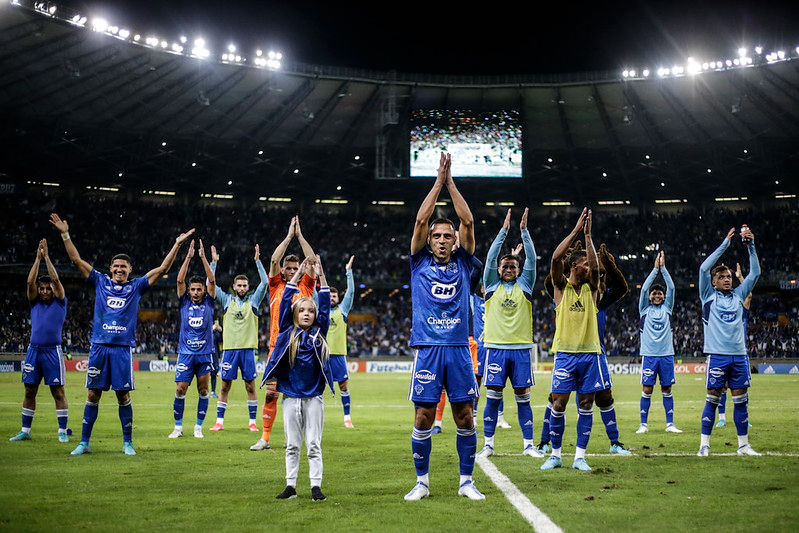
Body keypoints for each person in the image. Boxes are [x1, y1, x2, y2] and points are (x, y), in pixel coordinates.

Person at [49, 213, 193, 455]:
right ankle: (84, 443)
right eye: (115, 266)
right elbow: (75, 259)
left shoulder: (136, 286)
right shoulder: (99, 281)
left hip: (121, 349)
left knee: (123, 395)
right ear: (111, 268)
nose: (118, 269)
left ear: (129, 269)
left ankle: (127, 443)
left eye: (123, 266)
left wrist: (177, 244)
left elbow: (164, 268)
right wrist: (65, 234)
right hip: (99, 346)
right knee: (93, 394)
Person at [404, 153, 483, 501]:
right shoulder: (418, 261)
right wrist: (437, 182)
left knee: (465, 417)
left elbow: (468, 221)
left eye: (445, 236)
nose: (439, 240)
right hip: (428, 349)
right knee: (423, 418)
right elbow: (420, 221)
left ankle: (466, 482)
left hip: (458, 349)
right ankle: (422, 482)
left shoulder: (465, 263)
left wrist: (451, 183)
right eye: (436, 236)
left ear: (453, 241)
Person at [264, 256, 333, 502]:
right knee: (292, 445)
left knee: (314, 444)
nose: (307, 313)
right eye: (302, 310)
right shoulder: (286, 331)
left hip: (313, 398)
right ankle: (291, 486)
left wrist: (321, 274)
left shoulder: (319, 332)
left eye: (310, 310)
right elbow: (284, 301)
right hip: (291, 397)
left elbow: (324, 303)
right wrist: (296, 276)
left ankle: (316, 487)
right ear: (295, 313)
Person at [540, 208, 603, 472]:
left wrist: (589, 236)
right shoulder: (560, 288)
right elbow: (556, 258)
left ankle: (579, 456)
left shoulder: (592, 289)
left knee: (586, 404)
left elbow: (598, 267)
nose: (590, 267)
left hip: (590, 354)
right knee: (559, 403)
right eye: (586, 263)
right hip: (565, 354)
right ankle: (555, 455)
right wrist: (577, 230)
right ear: (575, 266)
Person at [478, 208, 542, 458]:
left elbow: (533, 261)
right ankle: (488, 445)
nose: (508, 269)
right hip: (495, 349)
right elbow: (491, 255)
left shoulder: (525, 286)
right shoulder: (491, 285)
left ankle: (528, 445)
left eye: (513, 266)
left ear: (518, 270)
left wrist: (524, 232)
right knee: (493, 399)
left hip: (521, 351)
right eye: (505, 265)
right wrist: (504, 231)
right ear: (499, 268)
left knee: (523, 399)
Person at [251, 216, 317, 451]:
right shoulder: (275, 286)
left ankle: (292, 439)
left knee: (297, 398)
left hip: (302, 349)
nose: (291, 271)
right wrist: (289, 237)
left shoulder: (306, 287)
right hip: (277, 348)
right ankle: (265, 438)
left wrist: (301, 237)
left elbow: (311, 261)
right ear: (282, 271)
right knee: (271, 395)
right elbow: (274, 259)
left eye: (294, 268)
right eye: (287, 268)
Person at [697, 226, 760, 457]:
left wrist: (750, 245)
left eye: (729, 277)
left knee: (741, 401)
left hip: (740, 355)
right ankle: (704, 445)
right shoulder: (708, 296)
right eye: (721, 277)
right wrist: (725, 244)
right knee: (713, 399)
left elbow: (755, 274)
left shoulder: (739, 295)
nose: (727, 279)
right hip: (716, 355)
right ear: (713, 282)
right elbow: (704, 268)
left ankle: (743, 445)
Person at [10, 239, 69, 443]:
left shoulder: (60, 302)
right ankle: (25, 431)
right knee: (29, 390)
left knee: (57, 392)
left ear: (52, 289)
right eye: (42, 288)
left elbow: (57, 280)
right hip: (33, 350)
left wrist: (47, 257)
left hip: (53, 351)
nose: (44, 291)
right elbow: (29, 283)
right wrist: (37, 258)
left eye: (47, 288)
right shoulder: (34, 301)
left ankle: (62, 432)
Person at [208, 243, 268, 432]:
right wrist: (214, 263)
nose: (242, 288)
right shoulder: (227, 300)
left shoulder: (254, 301)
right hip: (230, 351)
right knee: (225, 387)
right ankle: (219, 422)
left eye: (244, 285)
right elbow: (210, 284)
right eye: (239, 285)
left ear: (248, 287)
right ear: (234, 287)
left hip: (248, 350)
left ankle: (252, 423)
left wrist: (258, 262)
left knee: (250, 387)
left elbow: (265, 283)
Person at [169, 239, 216, 439]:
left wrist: (204, 258)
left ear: (203, 290)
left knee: (204, 389)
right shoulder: (184, 302)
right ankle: (178, 427)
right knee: (181, 389)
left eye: (199, 289)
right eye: (193, 289)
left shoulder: (210, 302)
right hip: (186, 353)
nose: (196, 292)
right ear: (189, 290)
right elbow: (179, 280)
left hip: (205, 354)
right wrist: (188, 257)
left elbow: (212, 281)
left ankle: (198, 427)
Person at [636, 250, 682, 434]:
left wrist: (664, 269)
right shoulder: (644, 310)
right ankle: (643, 424)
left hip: (666, 355)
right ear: (649, 296)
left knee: (666, 388)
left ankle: (669, 424)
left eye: (659, 294)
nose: (657, 295)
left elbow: (671, 288)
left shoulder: (667, 308)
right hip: (649, 355)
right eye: (654, 293)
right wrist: (655, 270)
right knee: (647, 389)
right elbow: (644, 288)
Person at [717, 263, 754, 429]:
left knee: (742, 388)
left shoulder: (742, 311)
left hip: (740, 352)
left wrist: (740, 277)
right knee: (722, 387)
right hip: (723, 352)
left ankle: (744, 417)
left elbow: (749, 295)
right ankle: (722, 417)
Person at [328, 255, 356, 427]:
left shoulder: (343, 310)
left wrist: (349, 272)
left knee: (343, 385)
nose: (332, 298)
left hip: (338, 355)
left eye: (334, 296)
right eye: (329, 296)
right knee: (314, 387)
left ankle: (347, 417)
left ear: (338, 298)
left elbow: (351, 291)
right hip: (320, 354)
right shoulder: (319, 308)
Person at [210, 320, 222, 398]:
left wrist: (220, 331)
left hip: (215, 354)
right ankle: (204, 391)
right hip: (208, 354)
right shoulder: (208, 332)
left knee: (214, 372)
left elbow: (220, 340)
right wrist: (212, 330)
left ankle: (212, 391)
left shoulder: (216, 333)